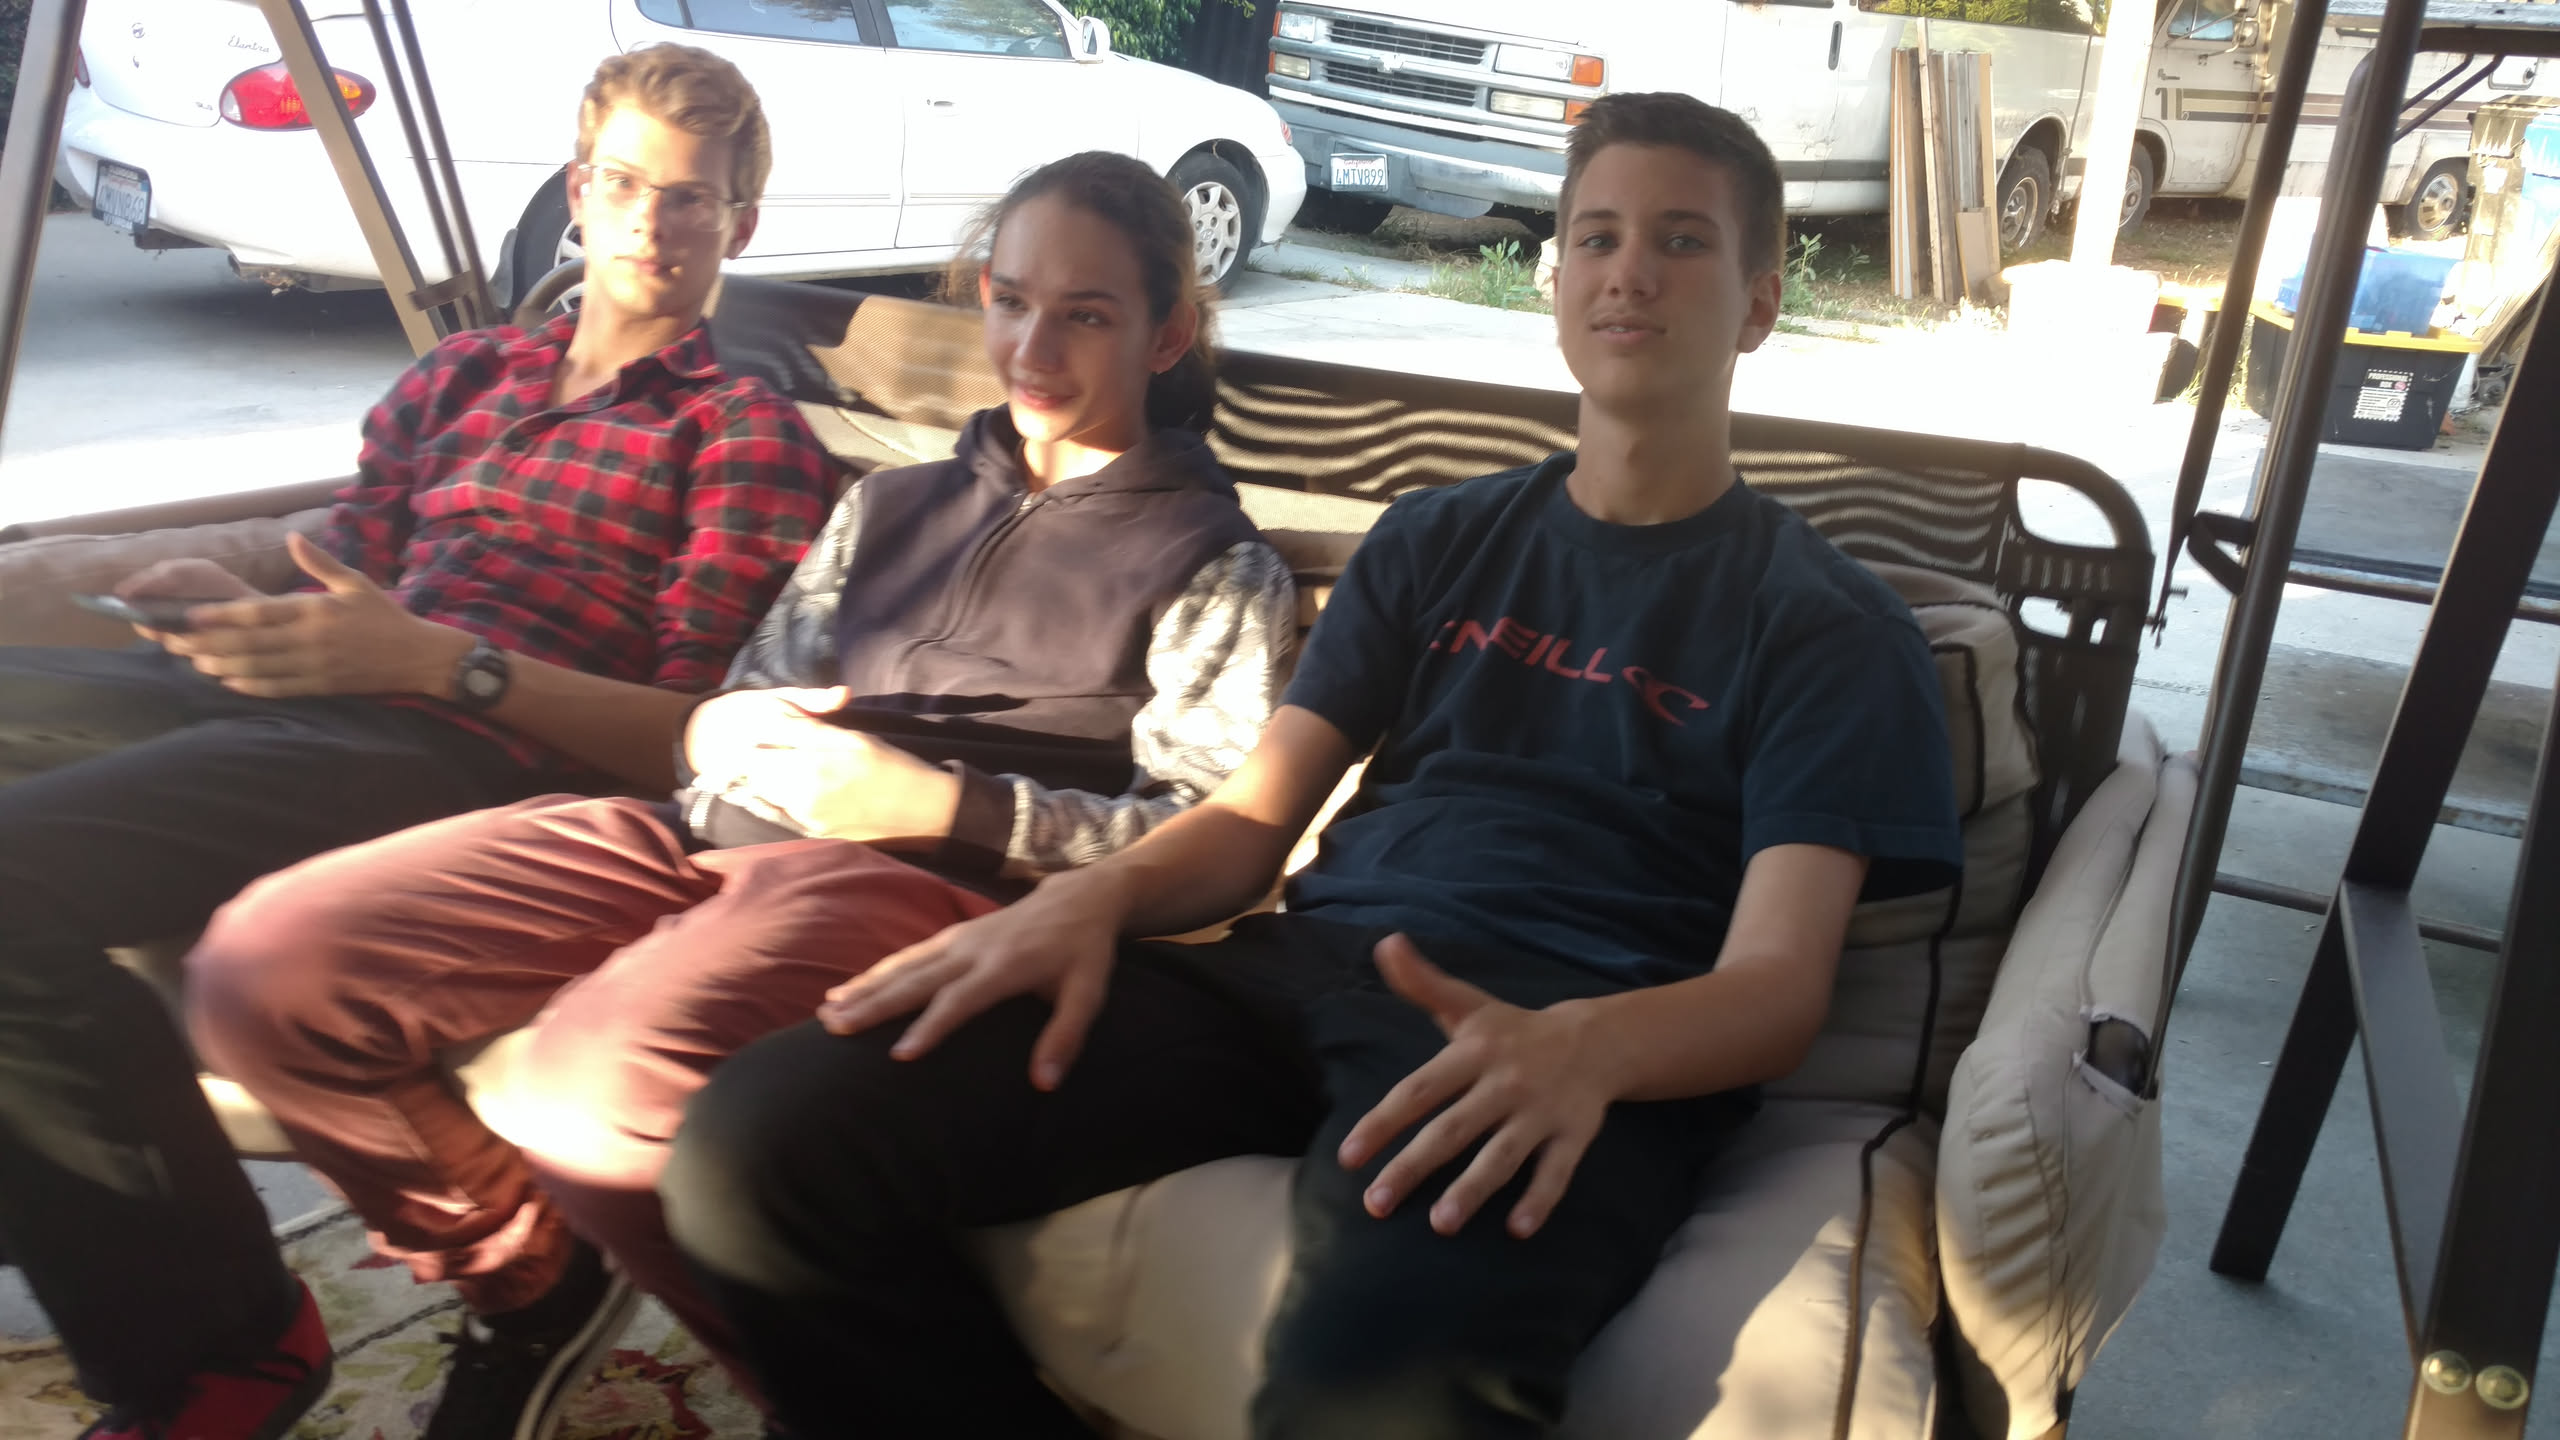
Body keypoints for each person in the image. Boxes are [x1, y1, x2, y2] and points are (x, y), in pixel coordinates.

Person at [657, 92, 1971, 1440]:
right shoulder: (1438, 539)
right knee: (759, 1150)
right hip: (1296, 969)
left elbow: (1775, 989)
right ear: (1556, 278)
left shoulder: (1828, 625)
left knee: (1379, 1395)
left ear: (1759, 303)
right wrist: (1082, 902)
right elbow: (1249, 823)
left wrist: (1588, 1048)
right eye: (1597, 236)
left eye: (1681, 241)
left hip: (1554, 1033)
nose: (1629, 271)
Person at [184, 151, 1296, 1440]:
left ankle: (847, 1396)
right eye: (1009, 301)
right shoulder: (889, 504)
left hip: (922, 880)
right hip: (697, 830)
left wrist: (944, 808)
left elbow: (1205, 838)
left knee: (592, 1088)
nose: (1033, 349)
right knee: (267, 971)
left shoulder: (1211, 564)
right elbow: (750, 686)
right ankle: (526, 1281)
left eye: (1086, 315)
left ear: (1167, 335)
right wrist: (720, 725)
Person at [0, 44, 833, 1440]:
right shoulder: (466, 375)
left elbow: (694, 740)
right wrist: (243, 604)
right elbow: (351, 562)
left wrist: (444, 666)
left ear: (738, 226)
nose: (653, 222)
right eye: (627, 184)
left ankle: (221, 1353)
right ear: (579, 189)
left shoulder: (738, 433)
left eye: (692, 198)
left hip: (465, 759)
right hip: (303, 695)